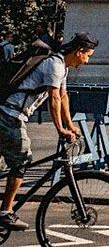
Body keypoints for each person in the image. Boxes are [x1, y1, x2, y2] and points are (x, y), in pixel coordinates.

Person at [0, 32, 96, 233]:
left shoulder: (62, 67)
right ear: (79, 52)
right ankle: (5, 212)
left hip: (11, 114)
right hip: (9, 115)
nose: (87, 61)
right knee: (21, 160)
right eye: (88, 55)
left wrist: (70, 125)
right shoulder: (54, 65)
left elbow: (63, 97)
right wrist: (60, 129)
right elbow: (53, 99)